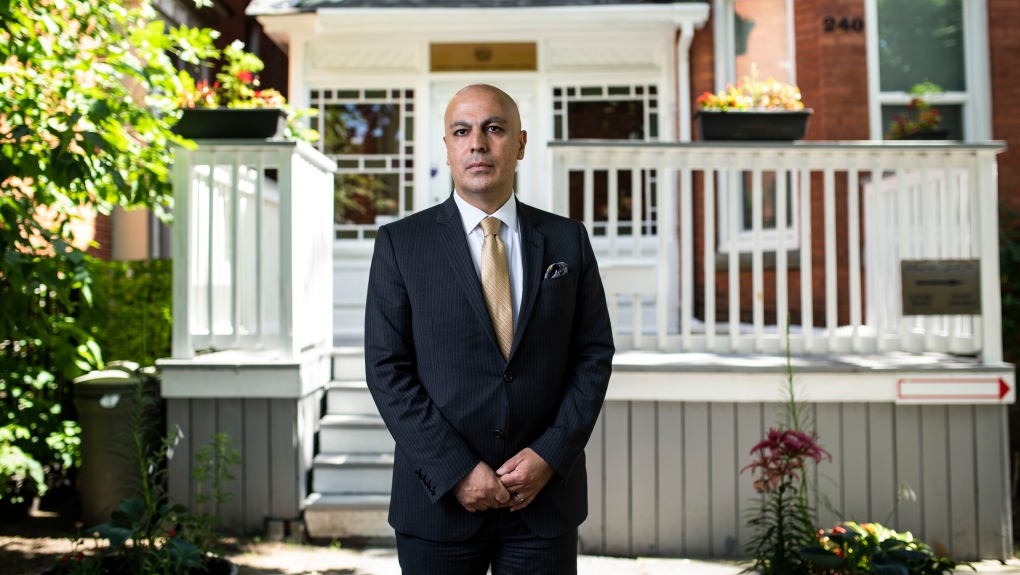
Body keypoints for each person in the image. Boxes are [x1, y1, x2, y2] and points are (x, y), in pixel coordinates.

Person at [364, 84, 614, 574]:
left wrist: (550, 453)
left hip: (543, 506)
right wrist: (455, 470)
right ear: (449, 146)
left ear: (520, 144)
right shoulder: (401, 244)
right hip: (437, 507)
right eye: (463, 131)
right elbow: (386, 368)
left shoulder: (567, 240)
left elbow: (593, 355)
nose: (477, 143)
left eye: (493, 129)